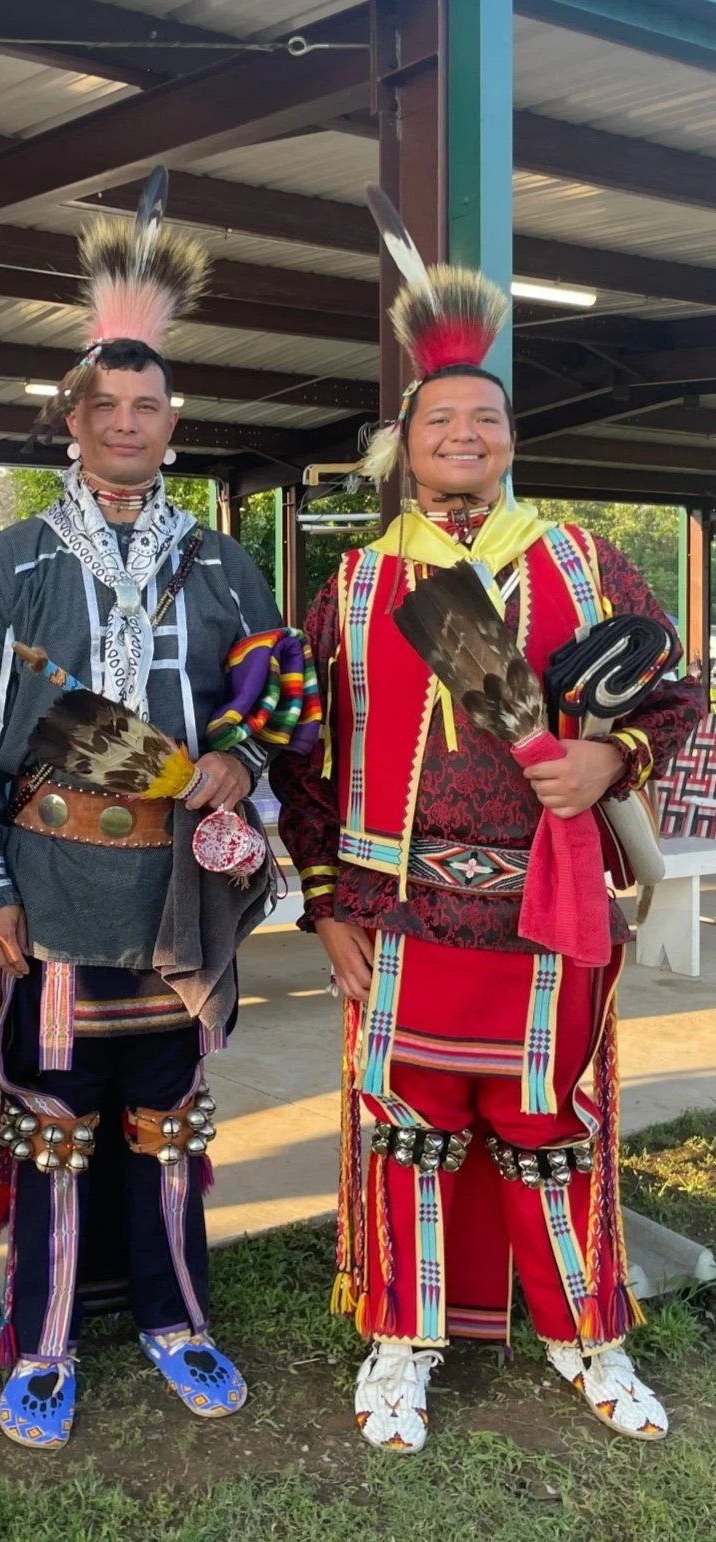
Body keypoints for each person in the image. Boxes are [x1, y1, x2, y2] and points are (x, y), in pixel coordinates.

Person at [271, 201, 704, 1455]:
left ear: (510, 441)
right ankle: (399, 1339)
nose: (462, 436)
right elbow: (307, 759)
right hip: (398, 915)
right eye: (437, 421)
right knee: (404, 1134)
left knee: (547, 1128)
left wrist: (602, 754)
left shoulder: (579, 560)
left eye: (485, 420)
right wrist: (324, 905)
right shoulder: (353, 587)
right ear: (402, 447)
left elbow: (671, 693)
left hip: (545, 908)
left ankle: (584, 1331)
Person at [0, 174, 289, 1449]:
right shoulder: (16, 563)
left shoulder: (217, 559)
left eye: (150, 408)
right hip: (47, 892)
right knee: (49, 1132)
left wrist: (238, 765)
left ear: (171, 419)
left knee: (170, 1127)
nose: (130, 425)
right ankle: (39, 1339)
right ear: (73, 420)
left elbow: (276, 687)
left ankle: (175, 1318)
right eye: (111, 407)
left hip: (178, 896)